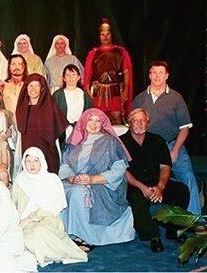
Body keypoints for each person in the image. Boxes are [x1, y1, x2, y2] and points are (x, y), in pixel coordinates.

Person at [59, 108, 135, 248]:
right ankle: (65, 233)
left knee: (79, 193)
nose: (93, 124)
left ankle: (84, 236)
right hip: (74, 182)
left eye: (98, 120)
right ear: (83, 122)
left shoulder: (110, 141)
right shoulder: (74, 142)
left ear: (103, 123)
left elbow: (119, 169)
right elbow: (64, 164)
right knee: (58, 191)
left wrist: (92, 179)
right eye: (90, 120)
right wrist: (71, 178)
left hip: (101, 184)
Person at [132, 60, 200, 215]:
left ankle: (194, 219)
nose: (157, 76)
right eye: (154, 73)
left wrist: (175, 151)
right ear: (149, 75)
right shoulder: (140, 99)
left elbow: (185, 128)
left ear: (166, 76)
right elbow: (134, 126)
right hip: (148, 148)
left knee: (188, 177)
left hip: (171, 145)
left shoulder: (176, 98)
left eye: (160, 73)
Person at [121, 108, 190, 252]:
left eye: (143, 120)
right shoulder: (121, 143)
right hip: (135, 185)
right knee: (137, 199)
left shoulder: (157, 140)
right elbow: (124, 172)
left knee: (181, 191)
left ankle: (174, 231)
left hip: (157, 183)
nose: (139, 124)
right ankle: (153, 236)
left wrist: (160, 187)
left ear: (148, 123)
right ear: (129, 123)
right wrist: (142, 188)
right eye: (136, 120)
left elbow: (165, 167)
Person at [12, 147, 88, 266]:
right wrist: (18, 220)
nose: (32, 165)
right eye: (28, 161)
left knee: (40, 231)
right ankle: (52, 252)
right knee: (23, 236)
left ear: (41, 161)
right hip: (25, 221)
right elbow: (13, 203)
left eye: (35, 161)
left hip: (48, 218)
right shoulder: (20, 180)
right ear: (24, 163)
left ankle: (62, 252)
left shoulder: (52, 179)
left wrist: (33, 217)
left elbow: (55, 206)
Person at [83, 18, 133, 125]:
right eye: (102, 34)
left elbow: (126, 71)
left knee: (117, 119)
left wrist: (126, 90)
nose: (105, 37)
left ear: (111, 35)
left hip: (115, 91)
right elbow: (88, 74)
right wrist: (87, 90)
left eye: (108, 34)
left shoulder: (120, 51)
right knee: (98, 121)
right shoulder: (93, 53)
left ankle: (117, 142)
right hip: (98, 93)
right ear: (99, 36)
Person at [16, 74, 67, 174]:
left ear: (42, 88)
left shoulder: (51, 108)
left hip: (47, 149)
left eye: (37, 86)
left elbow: (60, 131)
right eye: (30, 85)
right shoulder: (21, 109)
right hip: (27, 147)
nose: (33, 89)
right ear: (25, 88)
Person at [52, 64, 93, 141]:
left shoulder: (84, 95)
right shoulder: (57, 95)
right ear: (64, 78)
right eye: (68, 75)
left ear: (78, 77)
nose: (71, 78)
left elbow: (90, 113)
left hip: (81, 129)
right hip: (63, 132)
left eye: (73, 75)